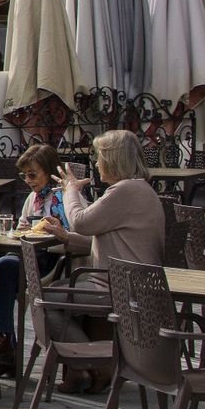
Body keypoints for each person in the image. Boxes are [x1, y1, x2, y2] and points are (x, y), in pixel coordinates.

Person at [41, 129, 163, 392]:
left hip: (119, 286)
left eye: (99, 157)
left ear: (112, 159)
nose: (96, 164)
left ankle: (96, 363)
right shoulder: (138, 190)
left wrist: (69, 191)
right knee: (60, 293)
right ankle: (88, 366)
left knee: (42, 300)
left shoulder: (125, 191)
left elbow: (82, 221)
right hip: (123, 281)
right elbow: (107, 241)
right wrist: (65, 237)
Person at [0, 144, 73, 379]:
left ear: (49, 170)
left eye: (33, 174)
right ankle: (3, 342)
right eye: (25, 175)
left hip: (54, 261)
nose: (28, 181)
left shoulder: (63, 197)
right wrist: (22, 229)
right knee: (0, 269)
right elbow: (23, 226)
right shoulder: (34, 198)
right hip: (29, 256)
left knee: (2, 268)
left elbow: (72, 234)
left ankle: (3, 343)